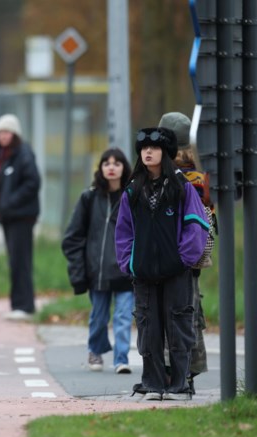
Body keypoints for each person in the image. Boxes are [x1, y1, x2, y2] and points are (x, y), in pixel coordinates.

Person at [115, 127, 209, 401]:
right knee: (148, 329)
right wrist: (129, 264)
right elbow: (123, 232)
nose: (147, 152)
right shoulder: (132, 191)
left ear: (164, 153)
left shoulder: (182, 187)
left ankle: (179, 385)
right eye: (143, 148)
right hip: (143, 274)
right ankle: (154, 384)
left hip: (177, 272)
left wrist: (184, 259)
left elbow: (197, 224)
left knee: (179, 327)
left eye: (153, 148)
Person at [62, 148, 134, 374]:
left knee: (123, 317)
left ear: (124, 168)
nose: (111, 167)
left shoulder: (131, 197)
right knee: (99, 317)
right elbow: (72, 237)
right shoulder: (89, 198)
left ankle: (121, 359)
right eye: (106, 163)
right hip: (98, 272)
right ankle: (95, 349)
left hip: (125, 271)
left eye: (117, 163)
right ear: (101, 168)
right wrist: (80, 268)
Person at [158, 112, 213, 393]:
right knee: (189, 312)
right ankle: (188, 372)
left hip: (168, 254)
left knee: (169, 313)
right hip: (194, 257)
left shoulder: (167, 175)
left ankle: (172, 374)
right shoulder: (204, 173)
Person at [0, 114, 41, 321]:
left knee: (21, 261)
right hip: (8, 217)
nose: (2, 136)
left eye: (6, 132)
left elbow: (32, 183)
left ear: (15, 133)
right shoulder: (1, 155)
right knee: (14, 261)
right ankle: (17, 303)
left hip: (22, 217)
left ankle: (25, 305)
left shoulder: (24, 154)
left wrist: (10, 202)